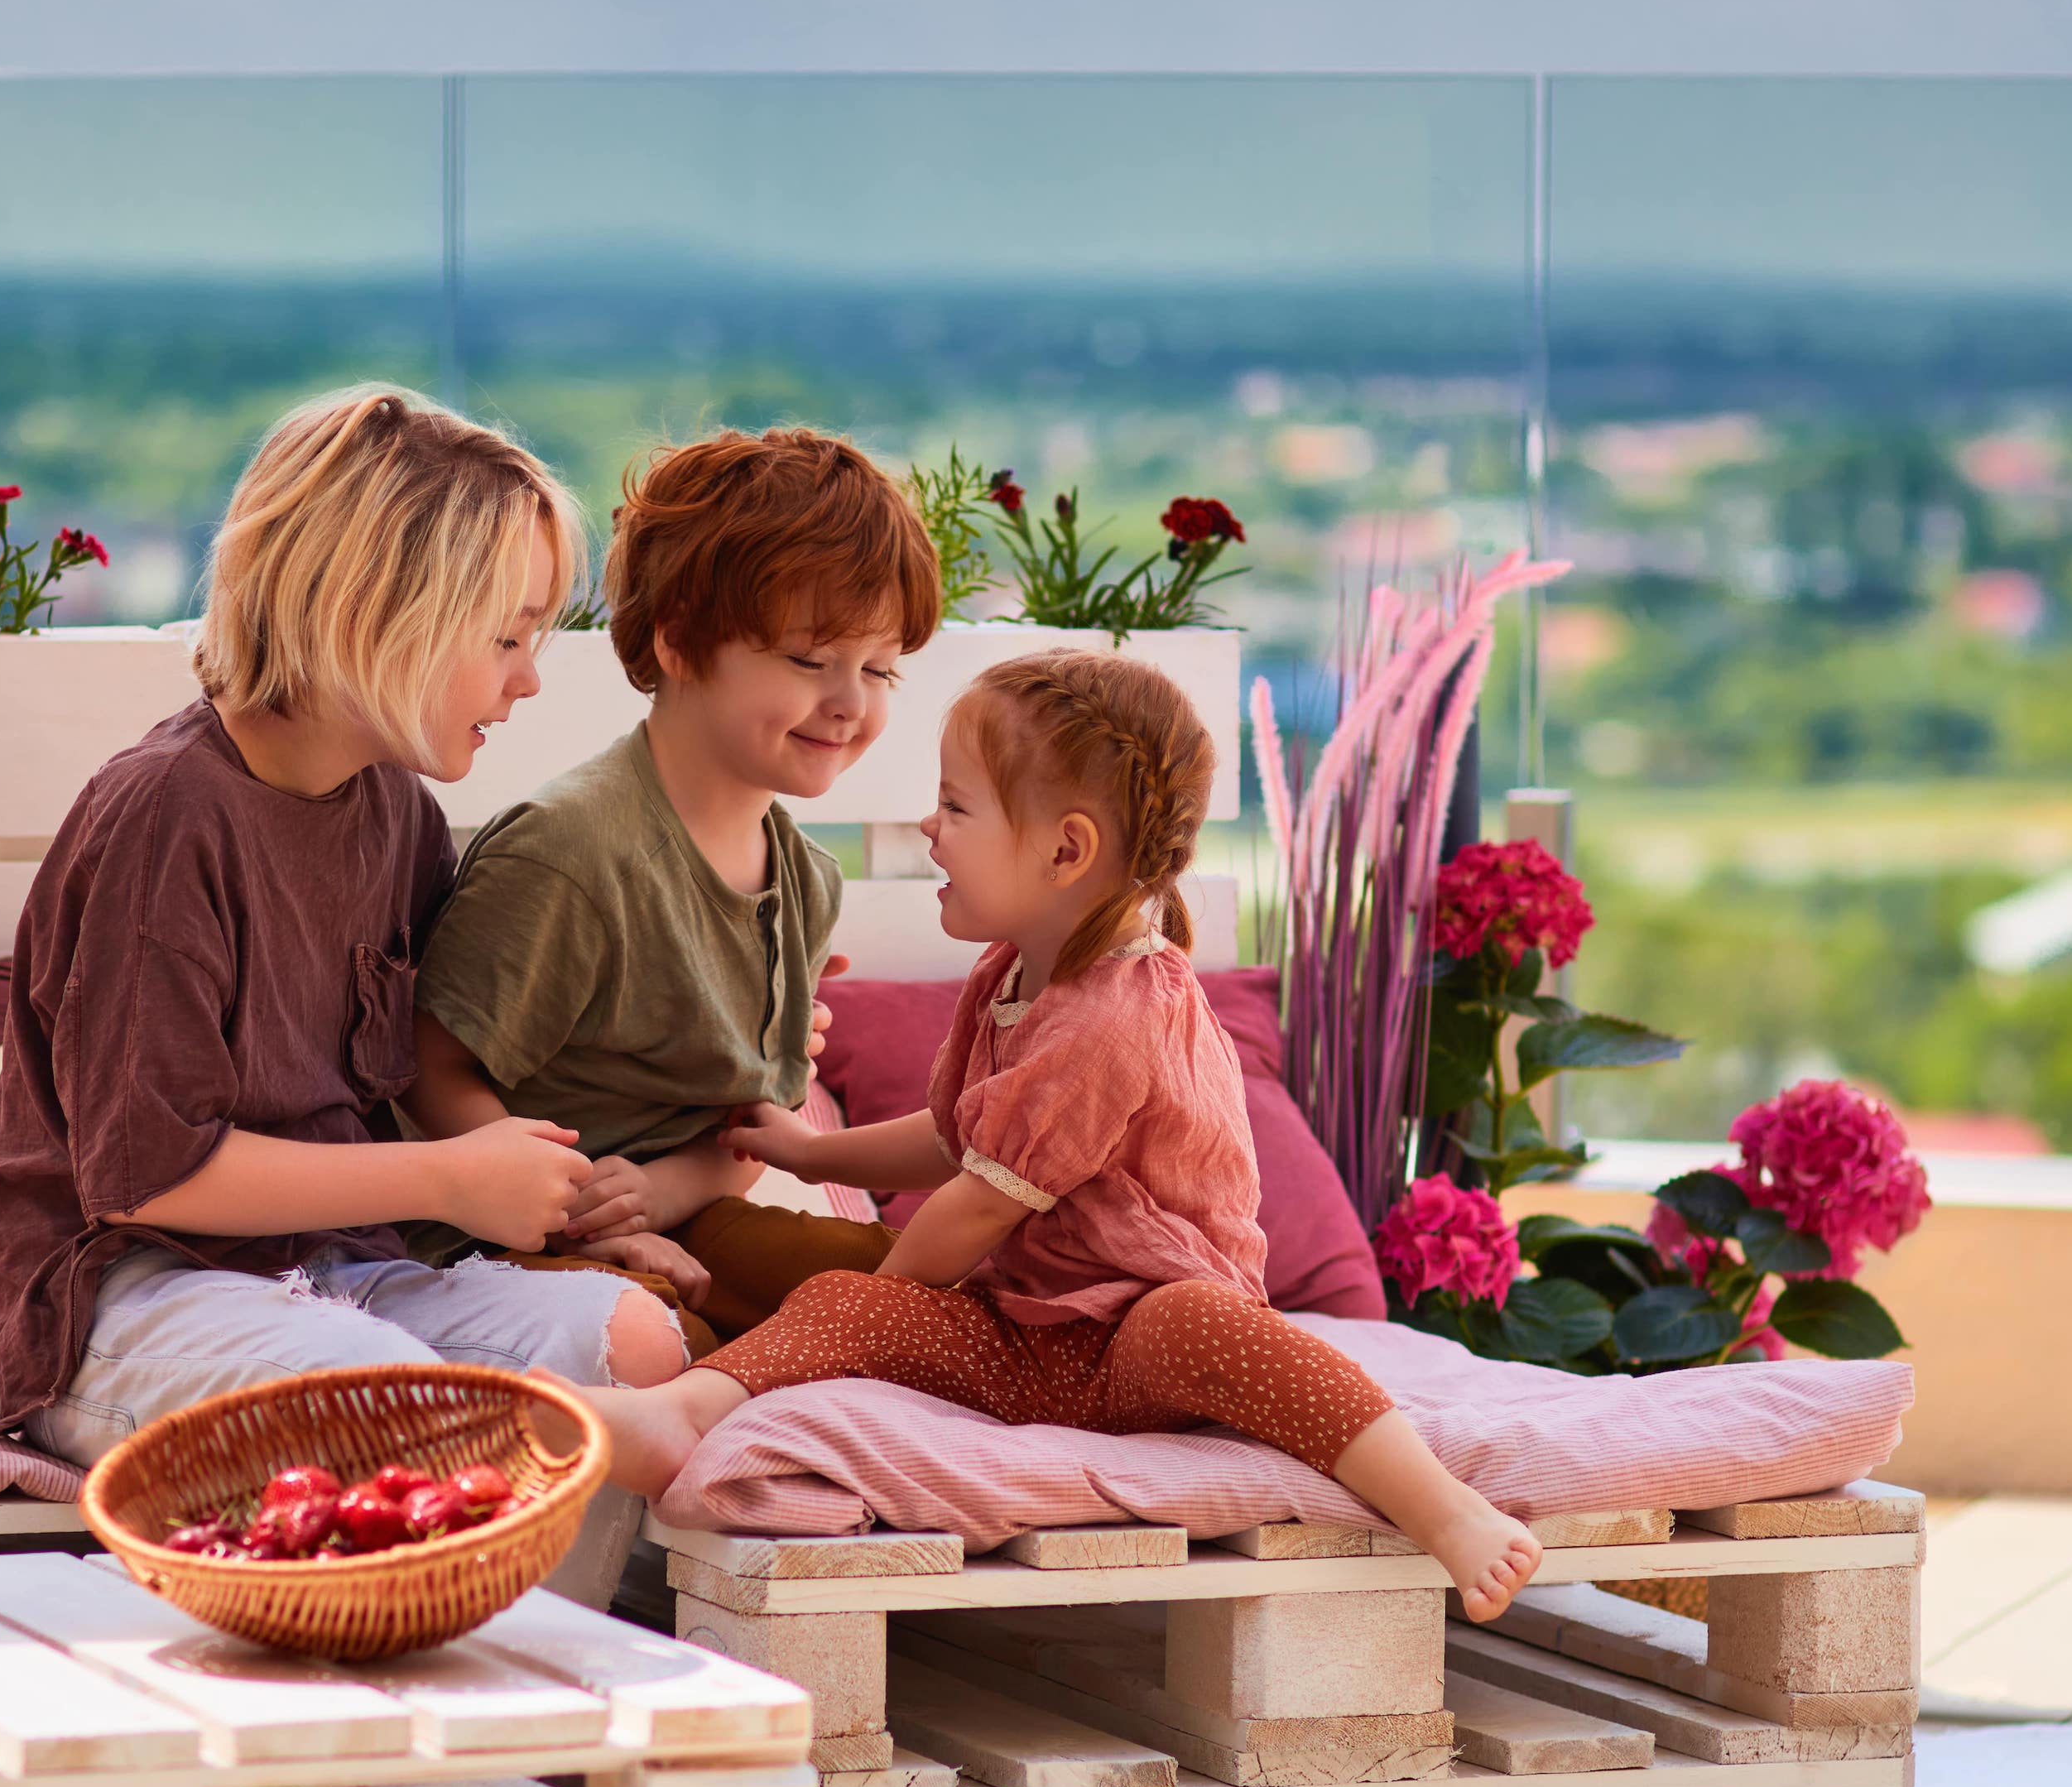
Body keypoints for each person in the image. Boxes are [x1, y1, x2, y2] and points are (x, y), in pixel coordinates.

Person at [584, 648, 1547, 1617]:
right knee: (841, 1296)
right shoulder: (1010, 972)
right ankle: (680, 1415)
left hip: (1136, 1344)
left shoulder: (1114, 1012)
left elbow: (970, 1205)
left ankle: (1441, 1506)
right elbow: (960, 1135)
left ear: (1063, 850)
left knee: (1195, 1322)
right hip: (1031, 1337)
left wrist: (880, 1319)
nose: (930, 825)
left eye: (956, 808)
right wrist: (807, 1153)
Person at [0, 385, 694, 1468]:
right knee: (362, 1387)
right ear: (378, 613)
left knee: (630, 1339)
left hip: (335, 1273)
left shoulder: (394, 811)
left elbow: (427, 1074)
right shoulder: (167, 814)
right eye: (505, 636)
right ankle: (485, 1537)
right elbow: (147, 1175)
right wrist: (445, 1182)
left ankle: (531, 1617)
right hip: (131, 1303)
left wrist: (583, 1204)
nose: (529, 678)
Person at [407, 426, 929, 1345]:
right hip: (504, 1245)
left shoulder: (804, 883)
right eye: (810, 661)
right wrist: (584, 1215)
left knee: (912, 1296)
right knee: (662, 1340)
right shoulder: (572, 854)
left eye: (879, 668)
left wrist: (657, 1194)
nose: (852, 701)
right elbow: (430, 1073)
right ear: (682, 644)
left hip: (678, 1217)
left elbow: (749, 1125)